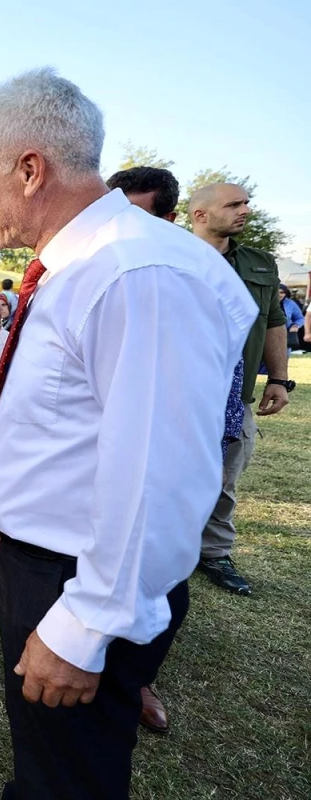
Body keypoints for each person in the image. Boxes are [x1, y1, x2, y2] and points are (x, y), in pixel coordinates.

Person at [0, 68, 255, 800]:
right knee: (48, 765)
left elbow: (159, 474)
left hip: (77, 580)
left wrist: (87, 624)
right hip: (50, 564)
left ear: (30, 169)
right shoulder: (87, 262)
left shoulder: (134, 271)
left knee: (70, 779)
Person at [109, 164, 188, 735]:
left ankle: (136, 677)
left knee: (161, 577)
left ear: (170, 218)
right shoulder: (91, 270)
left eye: (136, 215)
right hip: (99, 454)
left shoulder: (183, 275)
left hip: (162, 445)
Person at [190, 182, 290, 596]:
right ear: (200, 214)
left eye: (247, 203)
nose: (245, 211)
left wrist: (279, 379)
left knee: (225, 478)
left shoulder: (259, 263)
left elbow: (272, 322)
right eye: (233, 205)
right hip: (179, 393)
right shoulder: (173, 254)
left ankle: (213, 552)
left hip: (234, 395)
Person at [279, 284, 305, 354]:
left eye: (282, 292)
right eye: (276, 292)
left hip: (286, 335)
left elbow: (300, 318)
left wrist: (296, 325)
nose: (279, 295)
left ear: (286, 293)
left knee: (283, 360)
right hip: (268, 334)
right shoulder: (267, 303)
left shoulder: (291, 304)